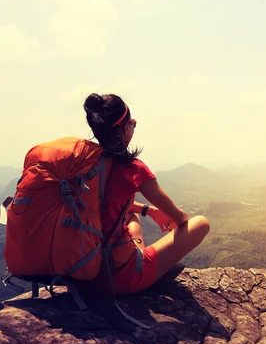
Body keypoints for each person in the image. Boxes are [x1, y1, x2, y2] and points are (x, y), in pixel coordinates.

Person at [79, 92, 210, 295]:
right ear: (125, 128)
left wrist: (149, 210)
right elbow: (179, 217)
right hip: (119, 279)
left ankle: (137, 255)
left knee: (131, 216)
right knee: (201, 223)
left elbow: (106, 202)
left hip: (82, 272)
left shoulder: (84, 164)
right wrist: (174, 216)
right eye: (133, 123)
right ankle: (143, 266)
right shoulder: (133, 168)